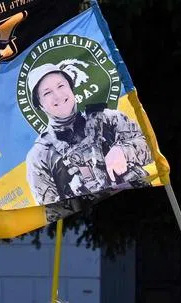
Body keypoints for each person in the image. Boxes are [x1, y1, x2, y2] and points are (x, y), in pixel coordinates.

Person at [25, 64, 153, 211]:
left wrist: (123, 151)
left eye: (61, 86)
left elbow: (151, 145)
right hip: (96, 225)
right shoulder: (39, 157)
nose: (58, 95)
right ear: (40, 105)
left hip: (145, 206)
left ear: (71, 88)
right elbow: (52, 212)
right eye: (47, 93)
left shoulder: (108, 118)